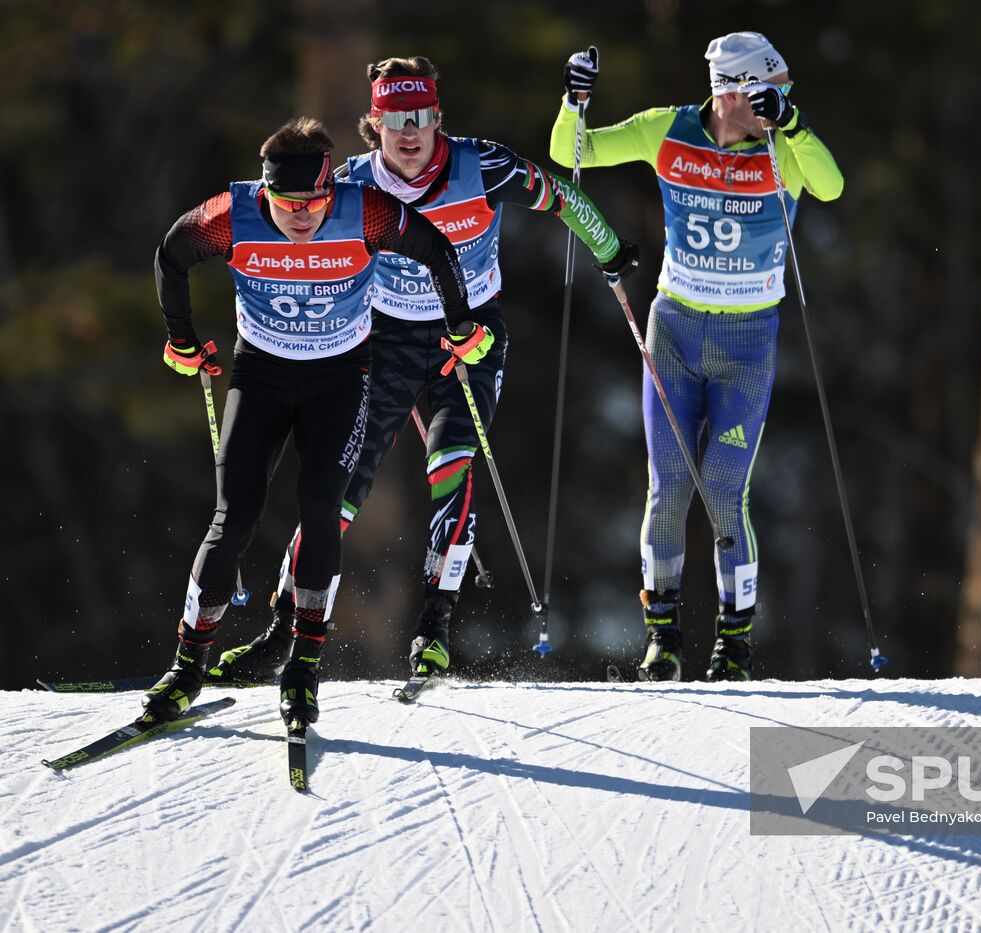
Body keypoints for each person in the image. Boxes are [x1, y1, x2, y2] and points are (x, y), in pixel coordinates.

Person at [207, 56, 637, 687]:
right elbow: (276, 210)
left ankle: (434, 630)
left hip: (469, 335)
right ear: (372, 124)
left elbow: (560, 195)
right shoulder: (351, 184)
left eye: (421, 118)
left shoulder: (480, 165)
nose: (408, 134)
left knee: (452, 465)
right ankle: (279, 633)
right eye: (393, 120)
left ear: (438, 118)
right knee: (339, 489)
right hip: (382, 341)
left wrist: (610, 251)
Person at [146, 116, 494, 726]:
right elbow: (171, 255)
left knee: (320, 507)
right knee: (235, 518)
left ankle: (303, 666)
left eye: (315, 202)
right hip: (260, 378)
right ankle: (188, 665)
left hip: (340, 380)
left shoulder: (365, 212)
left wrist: (461, 326)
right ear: (266, 192)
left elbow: (437, 249)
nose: (302, 216)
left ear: (331, 192)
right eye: (288, 204)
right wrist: (181, 340)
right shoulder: (232, 214)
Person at [551, 33, 844, 681]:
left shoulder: (783, 145)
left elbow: (832, 186)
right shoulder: (667, 130)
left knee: (722, 490)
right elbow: (572, 151)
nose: (779, 100)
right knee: (668, 490)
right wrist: (574, 103)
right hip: (676, 332)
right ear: (731, 91)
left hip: (748, 341)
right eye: (771, 90)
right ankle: (663, 638)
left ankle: (734, 642)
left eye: (783, 91)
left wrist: (793, 124)